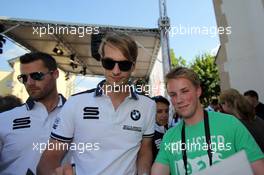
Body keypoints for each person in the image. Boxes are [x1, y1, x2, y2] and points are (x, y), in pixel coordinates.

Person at [37, 33, 156, 175]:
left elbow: (145, 149)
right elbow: (50, 156)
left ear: (133, 67)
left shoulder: (148, 106)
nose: (116, 71)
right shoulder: (76, 103)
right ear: (101, 62)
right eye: (109, 63)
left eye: (124, 65)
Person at [151, 67, 264, 175]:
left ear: (198, 91)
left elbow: (259, 169)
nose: (179, 100)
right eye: (173, 95)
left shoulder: (230, 124)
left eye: (184, 91)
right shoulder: (169, 137)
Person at [0, 52, 68, 175]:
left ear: (55, 74)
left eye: (36, 76)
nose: (29, 83)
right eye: (24, 78)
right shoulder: (4, 119)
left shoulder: (76, 115)